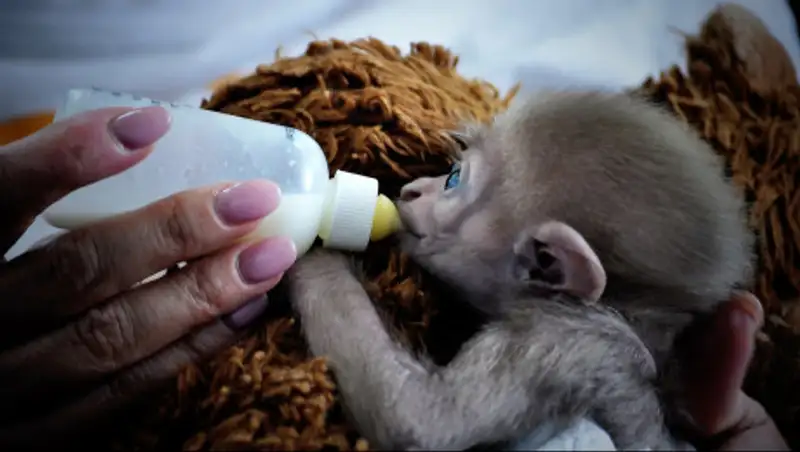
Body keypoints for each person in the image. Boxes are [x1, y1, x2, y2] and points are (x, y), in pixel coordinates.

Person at [0, 107, 789, 449]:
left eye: (458, 182)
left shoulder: (579, 342)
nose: (413, 190)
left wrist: (315, 265)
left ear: (550, 264)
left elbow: (419, 424)